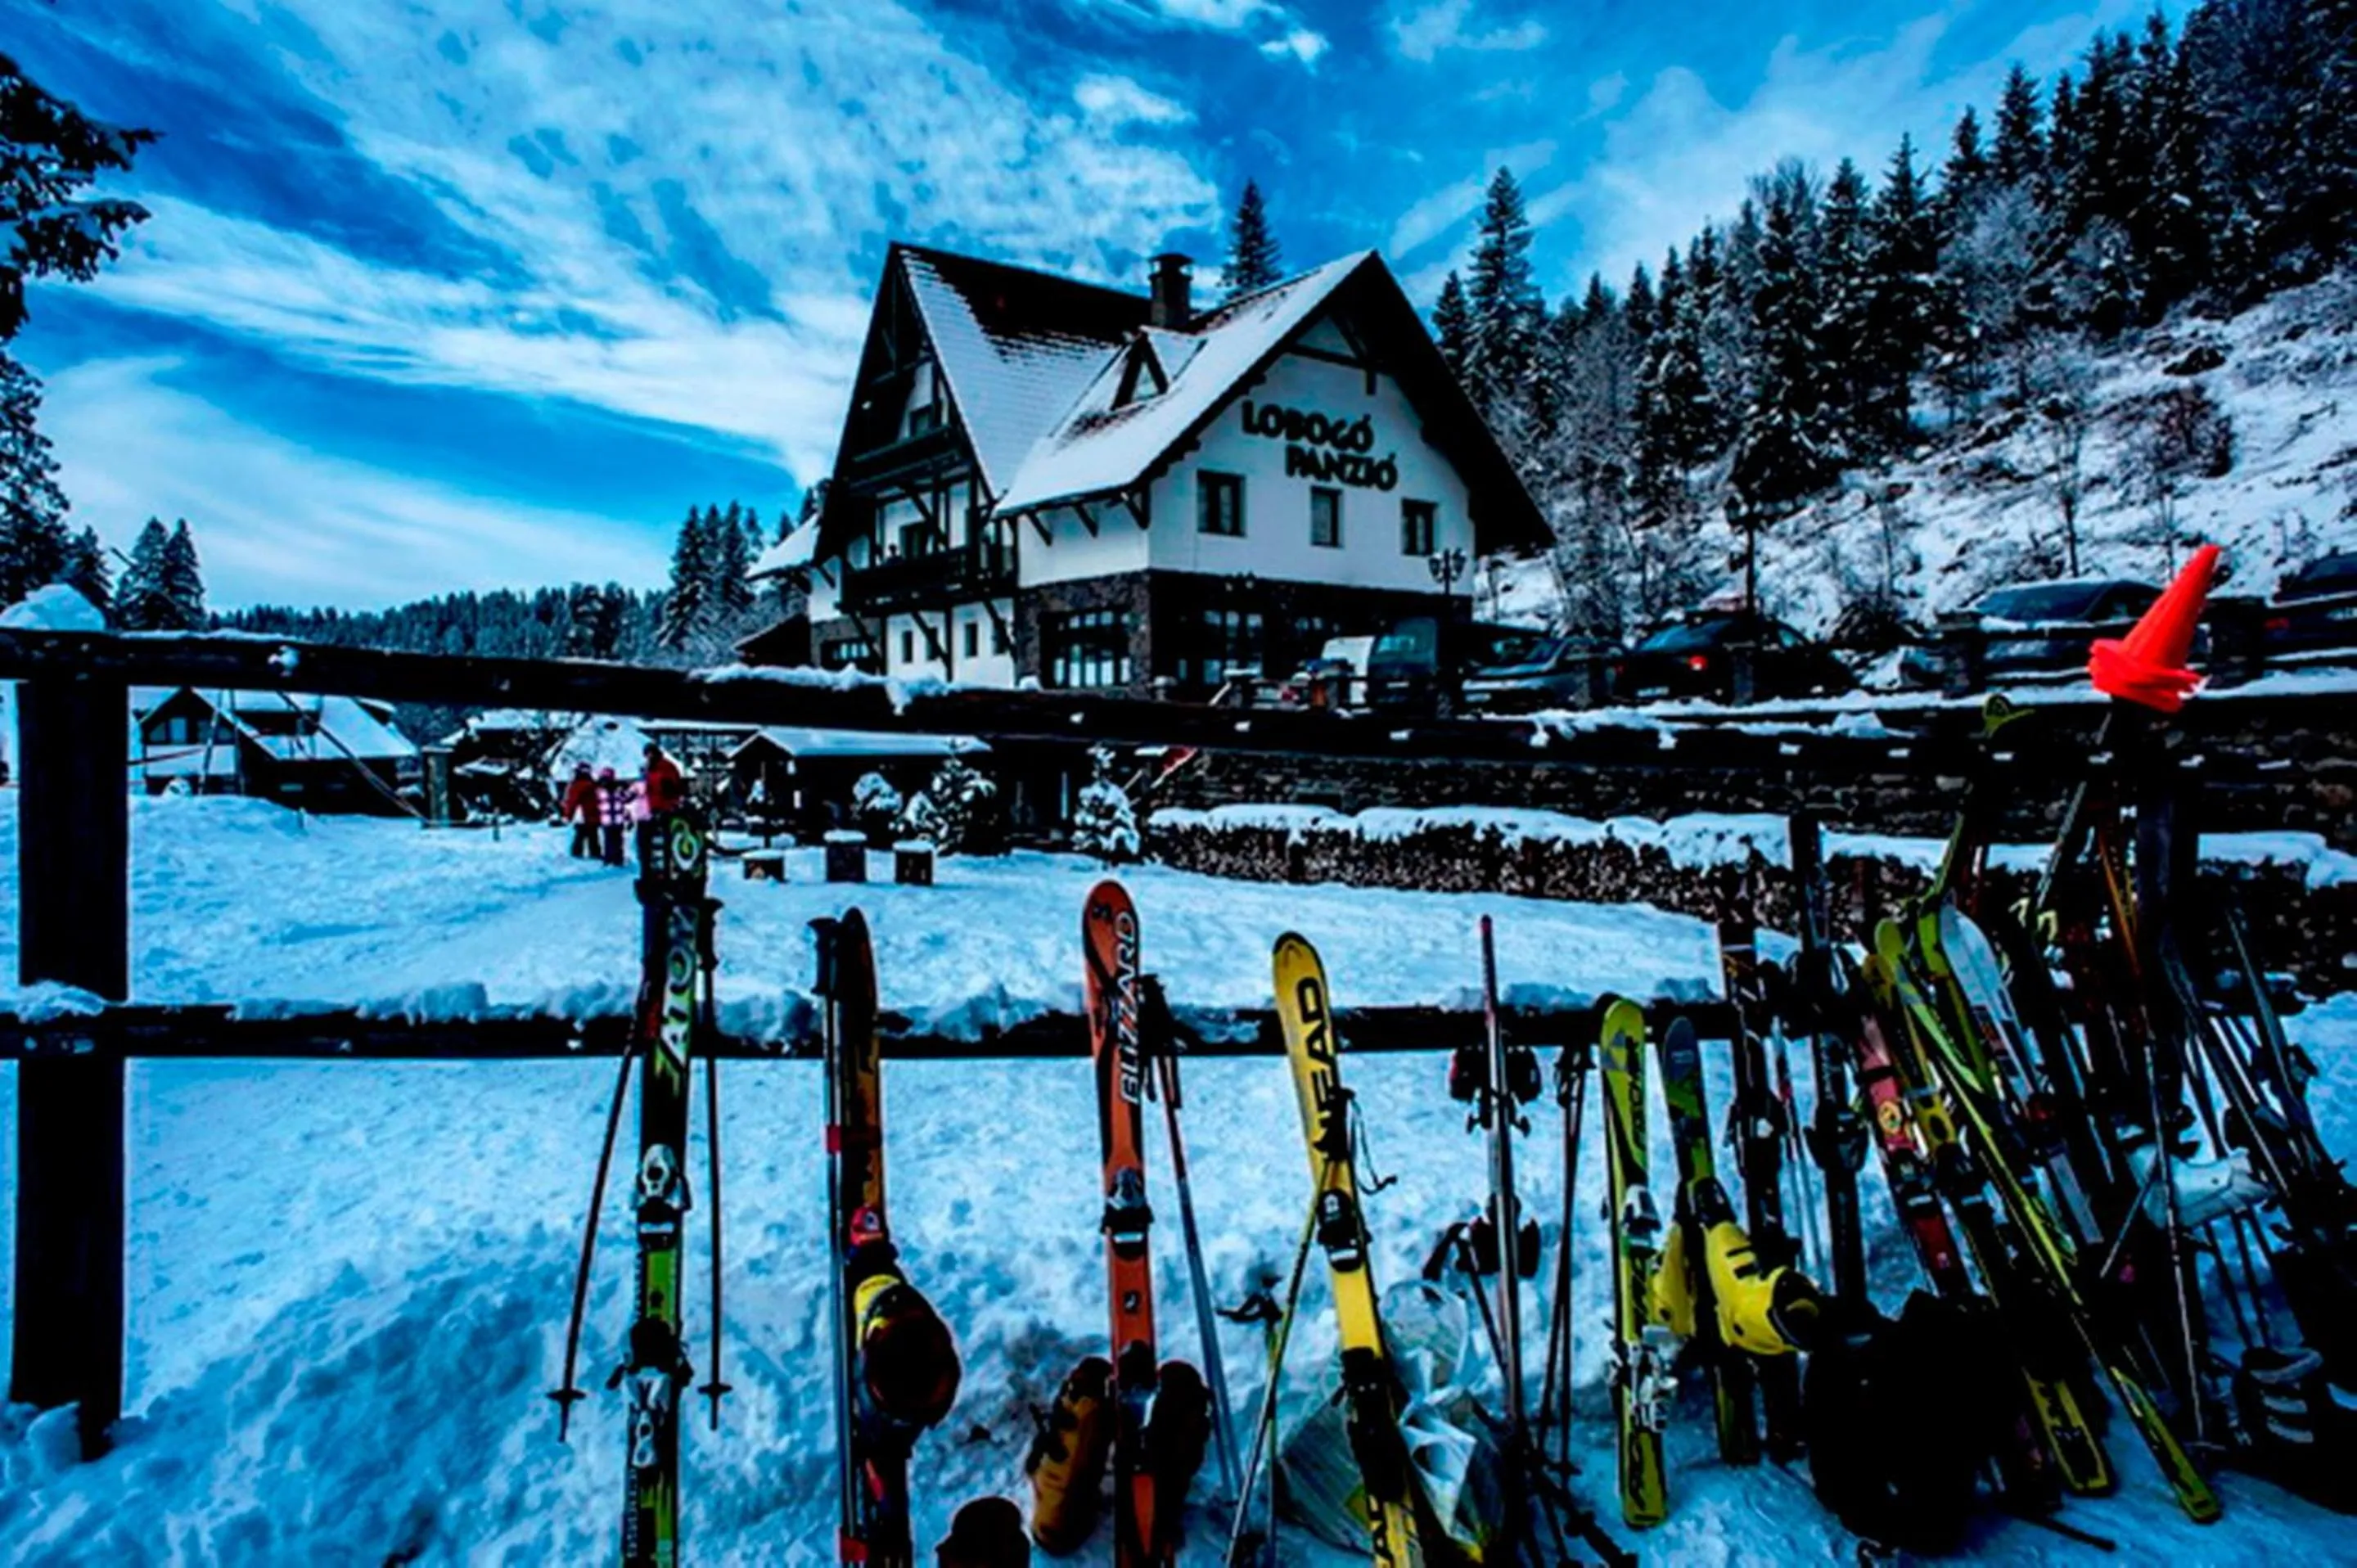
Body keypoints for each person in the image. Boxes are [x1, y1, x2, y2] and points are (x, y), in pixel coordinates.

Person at [560, 762, 599, 858]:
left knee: (581, 834)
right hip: (590, 813)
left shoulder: (576, 785)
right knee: (592, 834)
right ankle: (594, 853)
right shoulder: (593, 784)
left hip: (582, 814)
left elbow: (571, 802)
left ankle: (577, 853)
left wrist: (568, 815)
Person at [597, 765, 631, 867]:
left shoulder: (601, 790)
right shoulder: (614, 789)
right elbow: (626, 800)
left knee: (611, 840)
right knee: (615, 840)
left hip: (611, 819)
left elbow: (625, 801)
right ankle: (615, 859)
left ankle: (612, 859)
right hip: (613, 819)